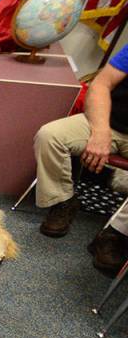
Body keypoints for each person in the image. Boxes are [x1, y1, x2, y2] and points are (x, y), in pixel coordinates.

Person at [34, 42, 128, 272]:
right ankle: (63, 201)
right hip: (111, 122)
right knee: (50, 136)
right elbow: (101, 85)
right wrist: (101, 131)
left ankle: (114, 235)